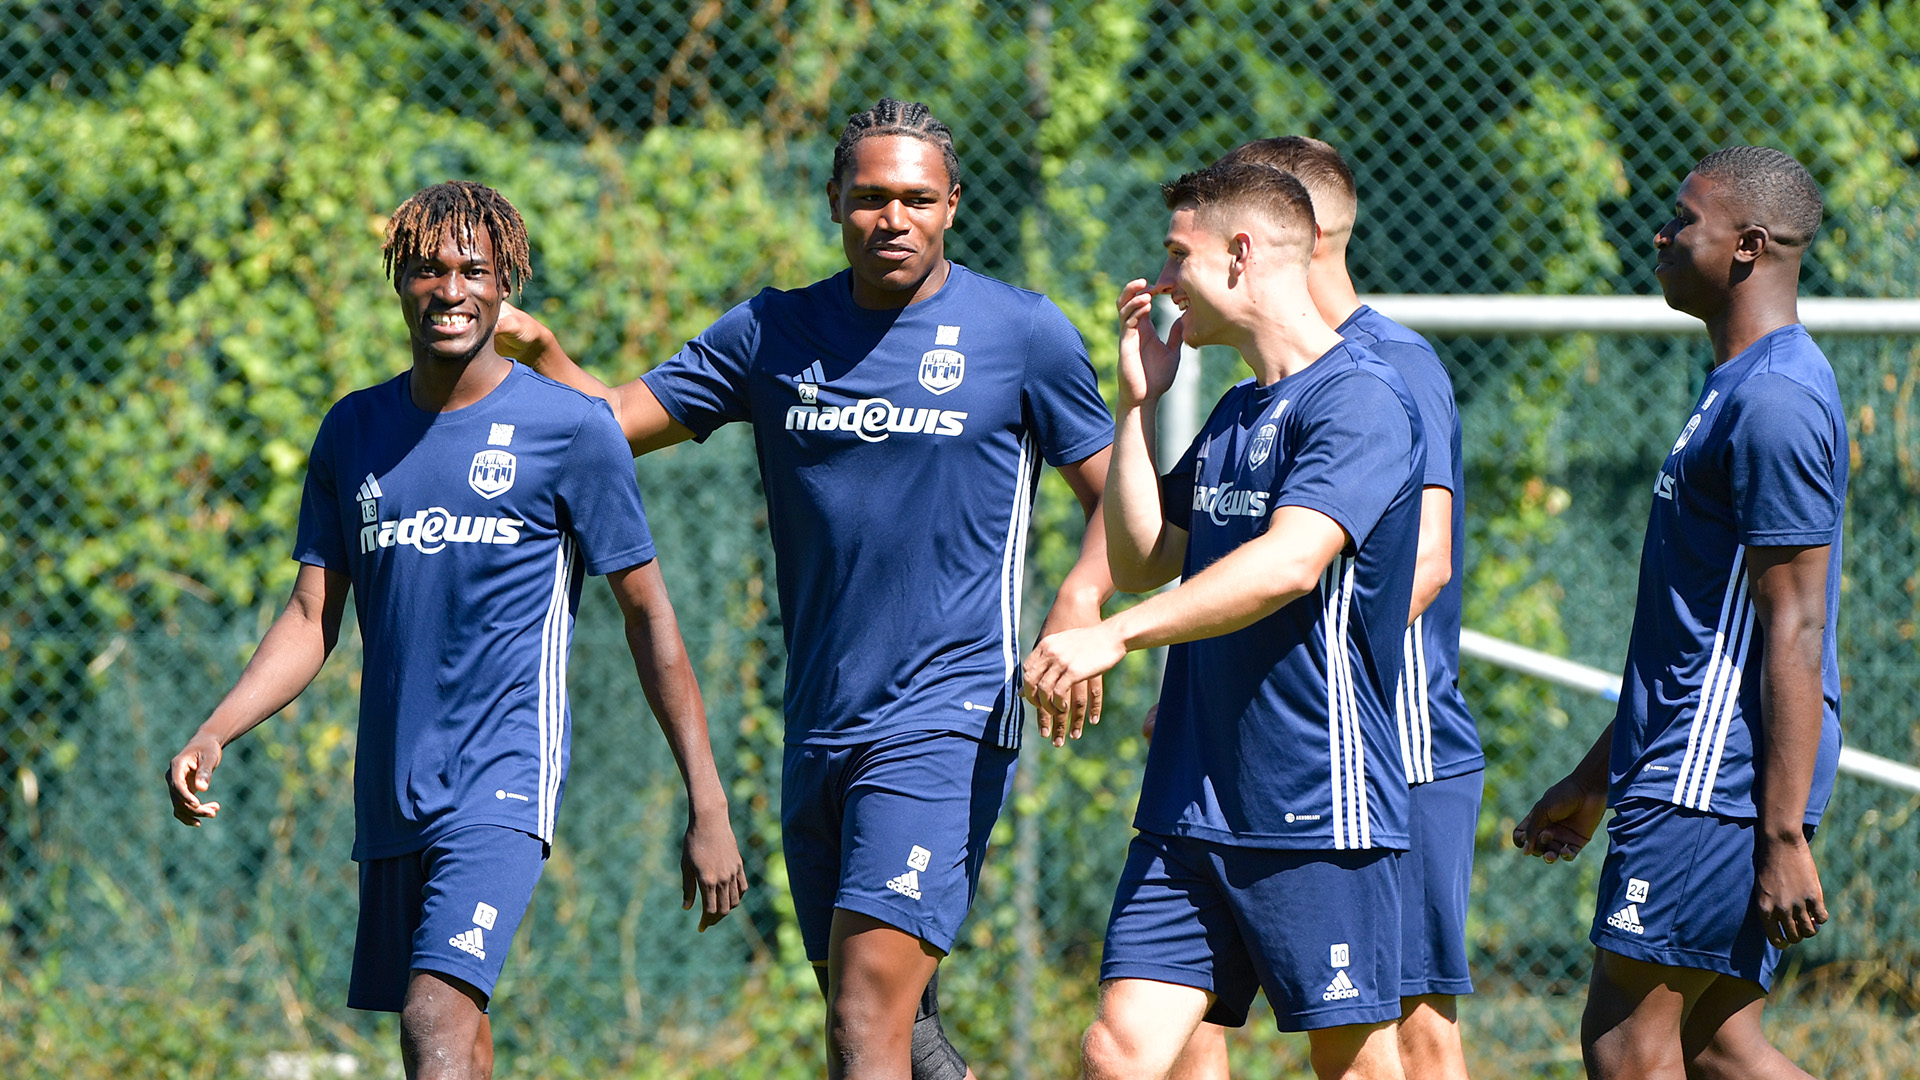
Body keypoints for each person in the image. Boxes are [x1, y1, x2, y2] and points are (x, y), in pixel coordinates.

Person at [493, 98, 1115, 1080]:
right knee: (896, 1033)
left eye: (917, 198)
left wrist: (1079, 603)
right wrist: (543, 358)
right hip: (821, 720)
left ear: (953, 205)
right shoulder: (773, 331)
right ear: (834, 201)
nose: (893, 218)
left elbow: (1124, 502)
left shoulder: (1021, 333)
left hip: (947, 716)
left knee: (864, 1021)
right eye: (870, 198)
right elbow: (610, 423)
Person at [165, 181, 747, 1080]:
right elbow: (311, 616)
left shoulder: (571, 430)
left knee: (432, 1016)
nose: (451, 290)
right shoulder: (353, 429)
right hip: (391, 790)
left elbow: (650, 617)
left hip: (503, 780)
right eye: (428, 270)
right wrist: (215, 729)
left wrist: (706, 803)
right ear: (398, 283)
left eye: (474, 270)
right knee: (455, 1040)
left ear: (506, 284)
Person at [1024, 160, 1424, 1080]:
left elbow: (1289, 564)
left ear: (1240, 255)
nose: (1162, 281)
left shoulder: (1360, 397)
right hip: (1192, 801)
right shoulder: (1240, 409)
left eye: (1178, 256)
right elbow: (1142, 558)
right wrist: (1136, 406)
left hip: (1315, 802)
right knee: (1117, 1054)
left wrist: (1115, 634)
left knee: (1356, 1066)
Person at [1513, 146, 1846, 1080]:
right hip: (1698, 768)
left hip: (1717, 783)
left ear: (1747, 245)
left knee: (1627, 1044)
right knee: (1717, 1049)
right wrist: (1596, 778)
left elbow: (1795, 628)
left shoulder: (1774, 402)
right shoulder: (1737, 385)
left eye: (1682, 220)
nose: (1659, 235)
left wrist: (1780, 834)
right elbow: (1696, 638)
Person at [1153, 135, 1480, 1080]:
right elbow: (1152, 548)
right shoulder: (1257, 388)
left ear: (1280, 232)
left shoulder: (1391, 368)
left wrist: (1273, 675)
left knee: (1408, 1031)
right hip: (1259, 759)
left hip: (1387, 750)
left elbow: (1424, 566)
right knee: (1180, 1019)